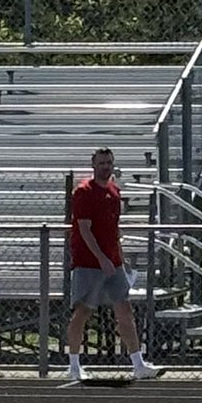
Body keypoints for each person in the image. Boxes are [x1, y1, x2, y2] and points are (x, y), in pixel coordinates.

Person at [65, 147, 160, 383]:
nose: (105, 166)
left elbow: (114, 230)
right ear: (93, 165)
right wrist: (101, 258)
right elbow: (84, 230)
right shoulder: (84, 192)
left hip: (112, 262)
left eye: (108, 162)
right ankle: (74, 365)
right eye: (101, 163)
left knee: (125, 309)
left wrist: (120, 257)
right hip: (89, 262)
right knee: (83, 311)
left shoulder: (114, 191)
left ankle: (138, 363)